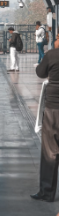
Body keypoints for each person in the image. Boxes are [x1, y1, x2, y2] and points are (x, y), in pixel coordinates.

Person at [31, 37, 59, 201]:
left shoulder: (52, 55)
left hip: (54, 110)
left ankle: (47, 192)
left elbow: (40, 73)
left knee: (50, 151)